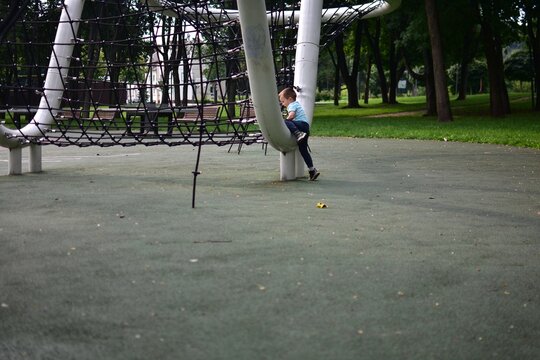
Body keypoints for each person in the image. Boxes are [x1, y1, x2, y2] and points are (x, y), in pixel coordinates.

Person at [278, 87, 320, 181]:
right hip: (305, 128)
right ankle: (312, 170)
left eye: (283, 101)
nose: (283, 104)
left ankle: (298, 134)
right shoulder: (296, 104)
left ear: (290, 99)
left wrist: (285, 121)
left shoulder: (292, 105)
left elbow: (292, 115)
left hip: (301, 126)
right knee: (303, 150)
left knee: (285, 122)